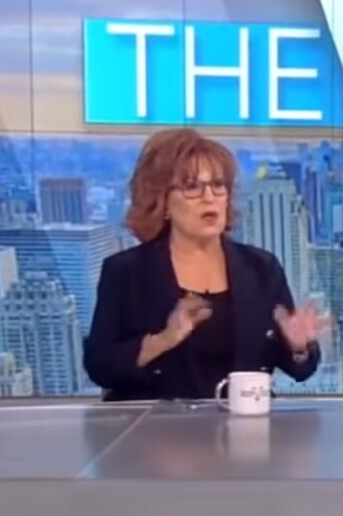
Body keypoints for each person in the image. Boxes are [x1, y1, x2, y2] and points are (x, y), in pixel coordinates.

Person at [84, 128, 320, 402]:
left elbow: (298, 368)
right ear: (163, 201)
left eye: (218, 185)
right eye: (192, 187)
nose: (209, 197)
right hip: (157, 425)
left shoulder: (260, 268)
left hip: (244, 421)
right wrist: (164, 339)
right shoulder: (127, 271)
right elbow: (100, 366)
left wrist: (298, 346)